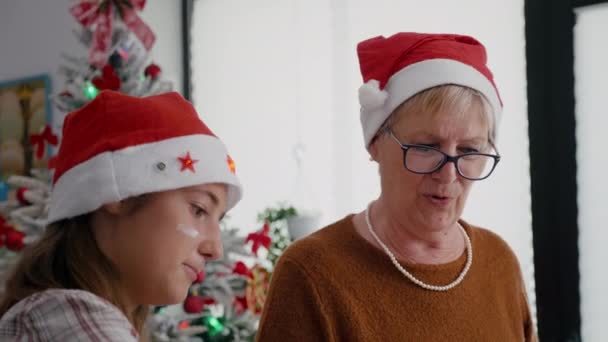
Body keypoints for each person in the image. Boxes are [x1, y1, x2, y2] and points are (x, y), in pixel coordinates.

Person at [256, 32, 536, 341]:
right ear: (375, 143)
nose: (448, 174)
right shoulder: (311, 272)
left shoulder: (498, 262)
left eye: (469, 151)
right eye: (427, 147)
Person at [0, 90, 242, 341]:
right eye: (199, 209)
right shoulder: (63, 317)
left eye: (218, 219)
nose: (215, 249)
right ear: (120, 196)